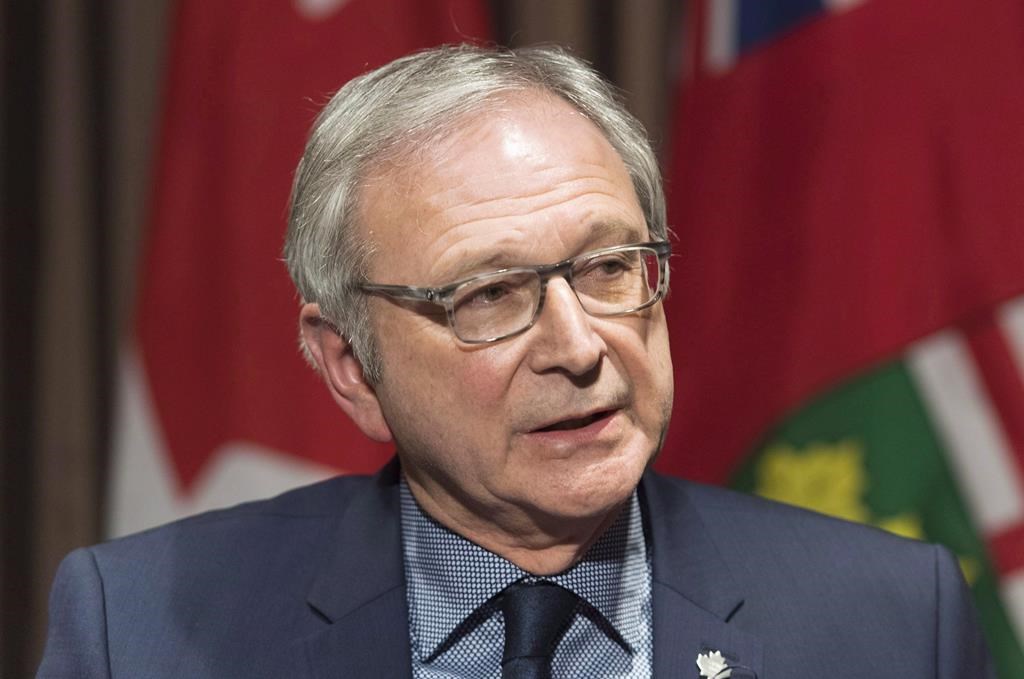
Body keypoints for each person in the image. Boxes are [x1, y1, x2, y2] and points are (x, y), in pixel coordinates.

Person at [38, 44, 993, 679]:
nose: (580, 348)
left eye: (612, 267)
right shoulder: (143, 632)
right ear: (350, 367)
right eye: (489, 295)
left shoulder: (893, 623)